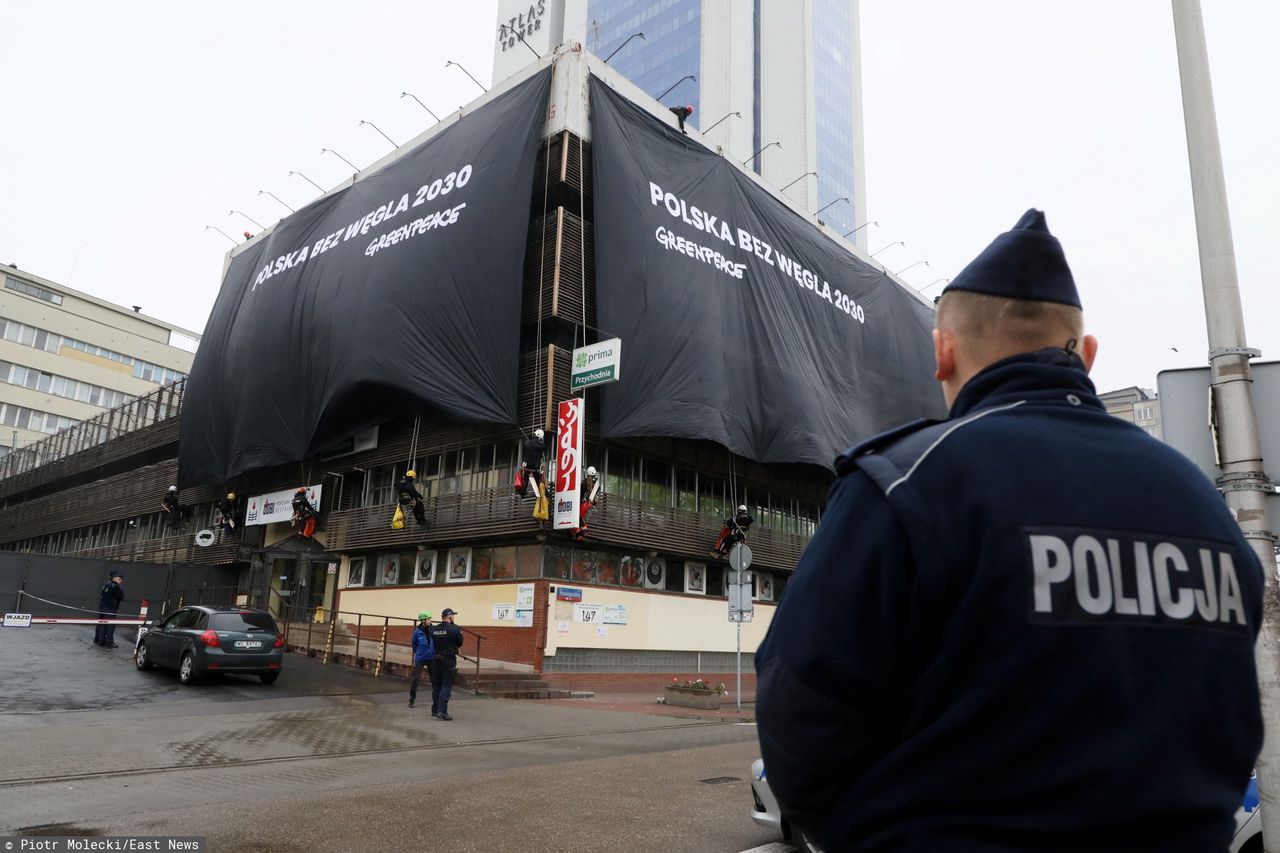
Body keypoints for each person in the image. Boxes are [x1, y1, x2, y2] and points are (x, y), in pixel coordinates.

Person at [754, 209, 1264, 852]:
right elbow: (1232, 720)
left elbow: (801, 715)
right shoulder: (1204, 508)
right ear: (1085, 354)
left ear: (943, 352)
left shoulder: (905, 484)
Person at [428, 608, 464, 721]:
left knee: (437, 685)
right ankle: (442, 711)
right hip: (448, 660)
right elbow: (460, 642)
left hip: (436, 659)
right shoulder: (454, 629)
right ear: (450, 617)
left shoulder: (434, 629)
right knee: (446, 685)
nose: (453, 618)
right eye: (453, 616)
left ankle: (435, 709)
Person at [408, 612, 434, 709]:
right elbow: (414, 644)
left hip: (431, 658)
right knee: (415, 679)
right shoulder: (417, 632)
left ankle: (436, 700)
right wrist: (418, 652)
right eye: (428, 619)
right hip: (420, 658)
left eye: (430, 619)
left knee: (434, 679)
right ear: (423, 621)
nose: (430, 621)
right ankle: (412, 699)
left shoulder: (433, 630)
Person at [93, 571, 125, 648]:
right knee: (111, 625)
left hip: (103, 607)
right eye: (120, 579)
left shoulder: (106, 584)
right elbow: (121, 596)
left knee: (102, 623)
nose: (121, 581)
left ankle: (99, 639)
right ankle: (109, 642)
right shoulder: (114, 586)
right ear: (115, 578)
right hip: (110, 608)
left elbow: (102, 594)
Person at [571, 466, 601, 542]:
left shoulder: (587, 482)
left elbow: (589, 491)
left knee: (579, 517)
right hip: (582, 504)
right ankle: (581, 529)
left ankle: (580, 529)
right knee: (579, 517)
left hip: (581, 504)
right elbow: (590, 490)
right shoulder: (589, 482)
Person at [517, 429, 546, 500]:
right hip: (535, 468)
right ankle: (541, 494)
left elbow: (525, 448)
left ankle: (523, 493)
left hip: (526, 466)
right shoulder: (542, 445)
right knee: (538, 480)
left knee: (525, 478)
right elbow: (542, 449)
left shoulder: (527, 442)